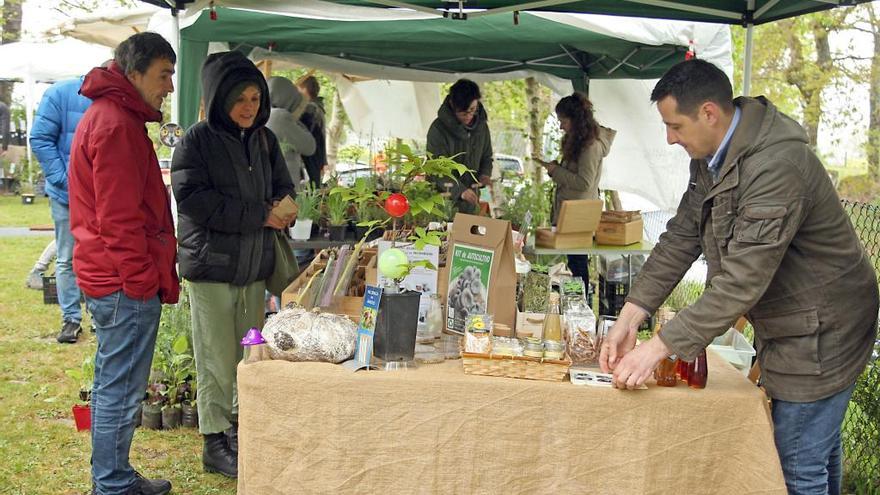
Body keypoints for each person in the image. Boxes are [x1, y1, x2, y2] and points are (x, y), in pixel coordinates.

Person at [599, 59, 879, 494]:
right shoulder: (712, 156)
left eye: (675, 125)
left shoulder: (778, 165)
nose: (669, 138)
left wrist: (657, 349)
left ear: (709, 112)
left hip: (825, 326)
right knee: (816, 452)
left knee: (796, 467)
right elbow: (680, 238)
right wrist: (629, 319)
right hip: (796, 317)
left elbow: (742, 279)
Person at [171, 51, 296, 479]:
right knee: (215, 359)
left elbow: (283, 184)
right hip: (212, 268)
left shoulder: (265, 140)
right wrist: (261, 214)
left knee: (249, 352)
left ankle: (242, 432)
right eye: (239, 98)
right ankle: (214, 440)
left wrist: (284, 205)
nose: (248, 107)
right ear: (219, 98)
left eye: (255, 99)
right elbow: (196, 202)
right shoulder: (195, 142)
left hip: (253, 266)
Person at [69, 32, 179, 495]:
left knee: (115, 383)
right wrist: (140, 281)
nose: (169, 86)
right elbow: (118, 220)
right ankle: (111, 484)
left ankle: (114, 477)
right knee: (120, 388)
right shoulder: (114, 124)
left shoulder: (115, 117)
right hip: (121, 279)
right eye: (163, 75)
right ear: (133, 74)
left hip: (113, 275)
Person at [29, 75, 93, 342]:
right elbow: (40, 139)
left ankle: (100, 318)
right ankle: (71, 319)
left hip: (100, 197)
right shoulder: (59, 93)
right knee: (66, 257)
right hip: (65, 194)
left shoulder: (115, 97)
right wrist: (65, 180)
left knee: (97, 257)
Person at [536, 93, 616, 290]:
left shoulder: (590, 146)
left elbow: (584, 182)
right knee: (575, 263)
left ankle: (582, 308)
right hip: (573, 212)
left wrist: (556, 171)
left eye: (563, 121)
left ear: (575, 120)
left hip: (578, 215)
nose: (561, 126)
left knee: (578, 265)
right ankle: (580, 304)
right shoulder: (580, 141)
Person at [426, 78, 493, 215]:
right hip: (442, 205)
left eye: (473, 110)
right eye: (463, 113)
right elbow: (436, 169)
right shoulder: (438, 129)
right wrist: (460, 191)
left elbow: (487, 156)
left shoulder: (482, 127)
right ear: (452, 105)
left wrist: (485, 174)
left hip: (471, 202)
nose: (469, 116)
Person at [266, 76, 316, 190]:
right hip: (283, 188)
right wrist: (296, 120)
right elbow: (310, 146)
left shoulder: (263, 114)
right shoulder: (279, 117)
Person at [298, 75, 326, 188]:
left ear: (304, 89)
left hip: (309, 159)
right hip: (317, 157)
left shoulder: (310, 109)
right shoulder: (319, 109)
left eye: (298, 90)